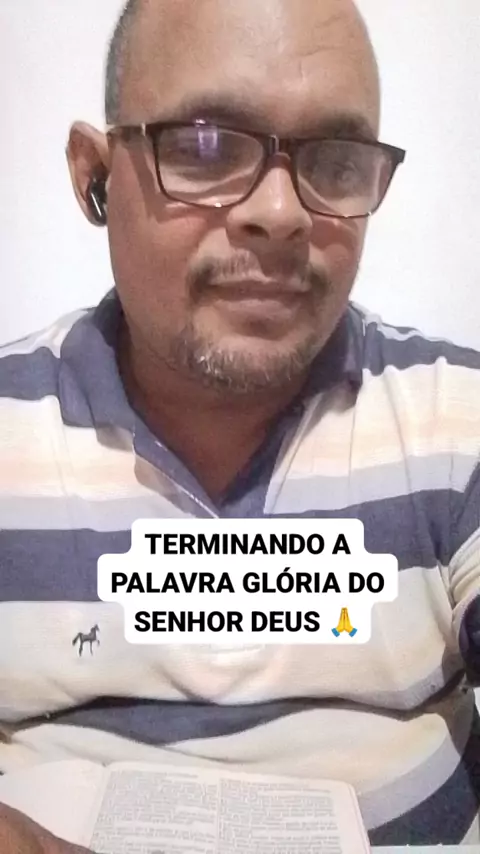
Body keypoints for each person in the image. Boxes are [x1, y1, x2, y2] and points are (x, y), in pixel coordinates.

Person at [1, 0, 479, 850]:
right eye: (204, 145)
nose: (281, 214)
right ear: (94, 176)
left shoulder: (457, 420)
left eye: (335, 159)